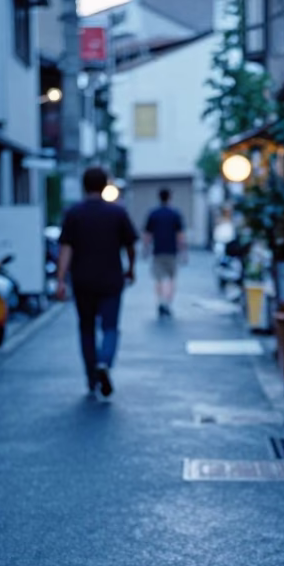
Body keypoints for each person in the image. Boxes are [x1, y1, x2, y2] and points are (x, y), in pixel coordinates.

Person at [56, 167, 138, 397]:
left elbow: (66, 248)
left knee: (86, 328)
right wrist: (131, 269)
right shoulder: (117, 213)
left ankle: (91, 377)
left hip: (82, 281)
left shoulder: (74, 213)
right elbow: (130, 246)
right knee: (110, 327)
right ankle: (104, 362)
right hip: (112, 279)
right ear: (105, 186)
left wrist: (61, 279)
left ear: (84, 186)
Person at [142, 187, 186, 318]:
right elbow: (180, 235)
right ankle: (167, 303)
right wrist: (183, 251)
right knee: (171, 279)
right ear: (169, 197)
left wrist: (145, 249)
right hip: (172, 251)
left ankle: (161, 301)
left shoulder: (153, 214)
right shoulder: (175, 214)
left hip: (158, 251)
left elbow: (147, 234)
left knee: (159, 279)